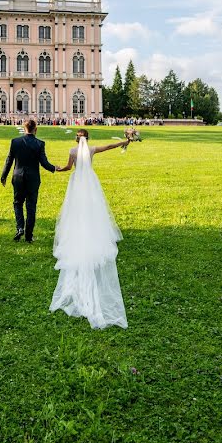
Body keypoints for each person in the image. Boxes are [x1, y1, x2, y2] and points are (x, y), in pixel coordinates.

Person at [50, 129, 130, 329]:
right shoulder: (92, 150)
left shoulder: (73, 150)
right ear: (88, 139)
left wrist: (58, 169)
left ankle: (77, 230)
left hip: (77, 181)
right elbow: (109, 146)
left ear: (76, 139)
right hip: (90, 182)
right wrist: (123, 142)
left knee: (75, 207)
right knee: (93, 206)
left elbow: (69, 167)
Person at [0, 119, 58, 243]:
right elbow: (44, 163)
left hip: (18, 177)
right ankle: (28, 236)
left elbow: (9, 160)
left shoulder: (15, 142)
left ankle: (20, 227)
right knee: (31, 207)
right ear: (35, 130)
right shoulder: (40, 144)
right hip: (33, 178)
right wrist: (55, 168)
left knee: (17, 203)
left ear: (24, 128)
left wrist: (4, 175)